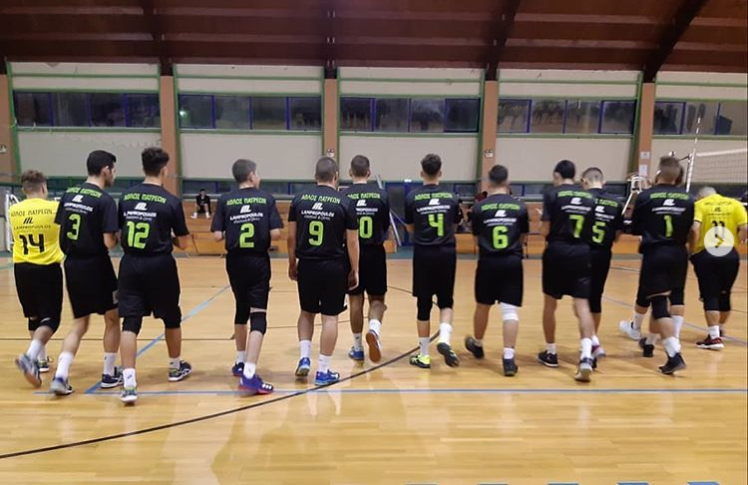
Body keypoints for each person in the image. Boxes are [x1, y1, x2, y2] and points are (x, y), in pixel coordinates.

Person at [117, 147, 192, 404]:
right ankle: (174, 367)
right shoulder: (171, 201)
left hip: (130, 264)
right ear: (164, 170)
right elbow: (183, 243)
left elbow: (119, 233)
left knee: (130, 322)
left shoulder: (126, 197)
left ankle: (129, 382)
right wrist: (165, 236)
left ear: (143, 168)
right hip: (160, 265)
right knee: (171, 317)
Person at [50, 150, 122, 395]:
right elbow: (108, 243)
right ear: (105, 170)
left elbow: (62, 227)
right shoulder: (104, 200)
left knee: (79, 323)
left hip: (72, 264)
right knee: (112, 318)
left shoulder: (69, 194)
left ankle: (61, 375)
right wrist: (118, 237)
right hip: (96, 265)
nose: (114, 175)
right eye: (113, 170)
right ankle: (109, 374)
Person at [211, 159, 282, 394]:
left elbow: (217, 236)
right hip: (257, 260)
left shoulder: (225, 200)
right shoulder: (266, 198)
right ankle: (249, 375)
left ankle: (241, 361)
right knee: (258, 315)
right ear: (251, 175)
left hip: (234, 261)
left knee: (241, 308)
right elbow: (276, 233)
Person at [288, 157, 359, 386]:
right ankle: (323, 371)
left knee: (306, 312)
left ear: (315, 176)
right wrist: (355, 269)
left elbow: (291, 238)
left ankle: (304, 357)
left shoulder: (299, 200)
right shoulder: (345, 202)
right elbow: (352, 242)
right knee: (330, 318)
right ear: (336, 176)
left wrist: (292, 262)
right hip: (333, 266)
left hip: (307, 264)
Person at [631, 156, 694, 374]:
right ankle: (650, 342)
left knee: (658, 304)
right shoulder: (689, 198)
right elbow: (691, 230)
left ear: (659, 173)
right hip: (679, 254)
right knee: (670, 299)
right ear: (677, 176)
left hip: (656, 254)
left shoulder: (646, 196)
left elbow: (635, 228)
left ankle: (674, 354)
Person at [464, 165, 529, 376]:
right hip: (512, 261)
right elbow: (523, 237)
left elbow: (476, 238)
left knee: (483, 306)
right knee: (510, 310)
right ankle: (508, 358)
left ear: (488, 182)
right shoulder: (520, 207)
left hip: (488, 261)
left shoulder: (479, 208)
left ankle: (478, 344)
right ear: (508, 182)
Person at [538, 160, 597, 382]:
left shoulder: (552, 194)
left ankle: (551, 352)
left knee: (550, 304)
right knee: (582, 305)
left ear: (557, 175)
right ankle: (586, 356)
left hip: (557, 251)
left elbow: (545, 230)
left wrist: (541, 226)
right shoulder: (589, 197)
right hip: (582, 252)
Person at [405, 154, 462, 369]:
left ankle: (424, 355)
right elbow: (454, 226)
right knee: (446, 301)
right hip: (447, 253)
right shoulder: (452, 197)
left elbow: (410, 228)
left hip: (423, 254)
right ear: (440, 172)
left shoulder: (412, 197)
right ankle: (444, 339)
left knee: (424, 304)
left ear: (422, 172)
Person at [11, 170, 65, 388]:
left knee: (33, 316)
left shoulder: (13, 210)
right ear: (43, 187)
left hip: (21, 268)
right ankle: (30, 356)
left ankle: (41, 361)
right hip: (46, 268)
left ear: (24, 189)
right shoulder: (54, 208)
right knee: (51, 319)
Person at [341, 155, 390, 363]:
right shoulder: (381, 195)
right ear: (369, 172)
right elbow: (385, 226)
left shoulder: (343, 196)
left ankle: (358, 347)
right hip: (375, 252)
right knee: (377, 299)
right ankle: (374, 330)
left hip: (352, 254)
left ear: (350, 172)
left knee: (355, 301)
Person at [689, 186, 747, 350]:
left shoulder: (700, 205)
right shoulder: (735, 204)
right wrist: (737, 242)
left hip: (707, 253)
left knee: (710, 295)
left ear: (700, 196)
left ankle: (714, 337)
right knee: (724, 294)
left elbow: (694, 229)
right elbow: (745, 228)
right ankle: (719, 329)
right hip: (730, 254)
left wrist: (692, 250)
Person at [580, 167, 624, 358]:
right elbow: (618, 234)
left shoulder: (581, 199)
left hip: (582, 253)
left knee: (581, 300)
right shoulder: (616, 203)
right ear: (603, 182)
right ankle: (593, 340)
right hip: (603, 254)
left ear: (584, 181)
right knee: (596, 298)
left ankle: (590, 343)